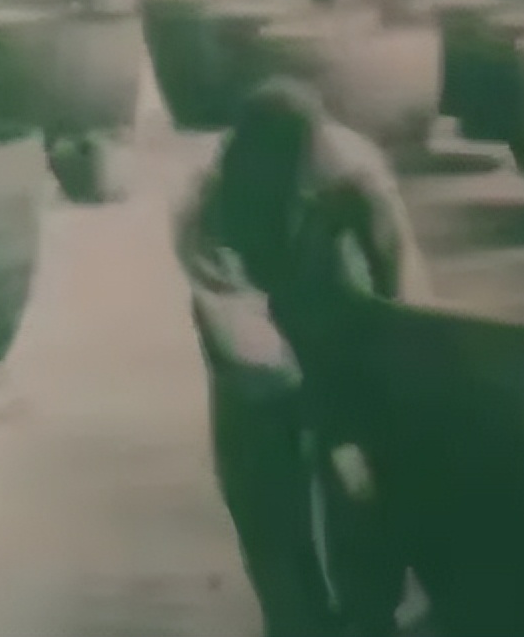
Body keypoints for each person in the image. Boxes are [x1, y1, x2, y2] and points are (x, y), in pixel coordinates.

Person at [177, 79, 431, 637]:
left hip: (337, 316)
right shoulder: (207, 211)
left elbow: (405, 290)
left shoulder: (353, 174)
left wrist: (390, 368)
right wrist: (309, 406)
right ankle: (296, 619)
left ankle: (370, 612)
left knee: (365, 482)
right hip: (258, 350)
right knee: (262, 485)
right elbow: (244, 341)